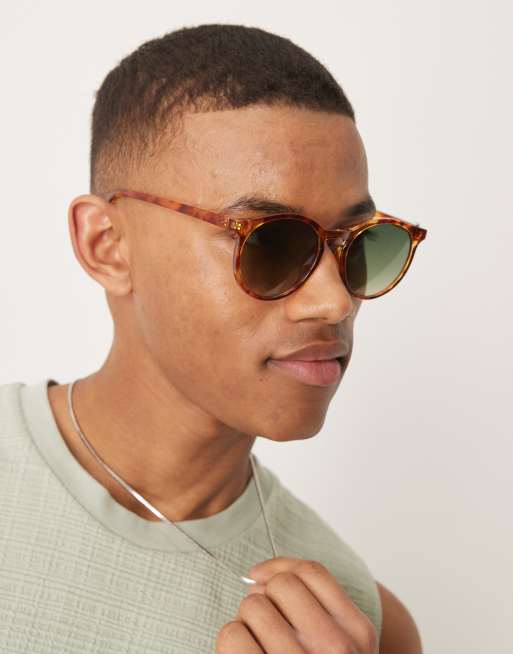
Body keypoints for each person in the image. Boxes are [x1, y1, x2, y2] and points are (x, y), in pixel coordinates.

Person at [0, 23, 424, 653]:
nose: (335, 300)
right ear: (107, 245)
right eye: (270, 242)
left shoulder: (358, 621)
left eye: (358, 245)